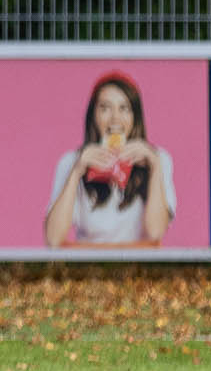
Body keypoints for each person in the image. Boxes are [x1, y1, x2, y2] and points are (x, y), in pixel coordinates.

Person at [44, 72, 176, 247]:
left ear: (135, 117)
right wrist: (76, 172)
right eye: (105, 108)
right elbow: (53, 238)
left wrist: (154, 166)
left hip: (139, 267)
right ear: (93, 116)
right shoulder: (71, 161)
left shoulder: (158, 158)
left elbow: (156, 231)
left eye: (124, 108)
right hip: (88, 267)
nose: (115, 118)